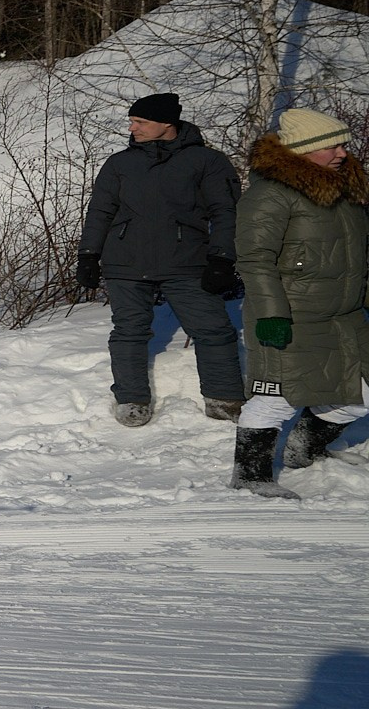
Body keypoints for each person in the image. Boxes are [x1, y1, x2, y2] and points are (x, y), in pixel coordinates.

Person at [77, 92, 245, 425]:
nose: (132, 127)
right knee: (129, 331)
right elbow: (100, 212)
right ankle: (131, 400)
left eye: (140, 121)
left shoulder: (206, 161)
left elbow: (226, 211)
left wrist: (222, 258)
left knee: (213, 329)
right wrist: (88, 255)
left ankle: (224, 398)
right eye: (132, 121)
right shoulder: (120, 163)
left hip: (186, 260)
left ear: (167, 123)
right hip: (125, 260)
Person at [231, 108, 367, 494]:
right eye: (333, 146)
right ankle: (250, 477)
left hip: (345, 316)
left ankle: (303, 449)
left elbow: (359, 256)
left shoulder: (347, 188)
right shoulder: (270, 194)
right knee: (277, 397)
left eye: (343, 144)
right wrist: (271, 314)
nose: (343, 152)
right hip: (291, 314)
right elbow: (255, 259)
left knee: (359, 393)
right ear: (303, 149)